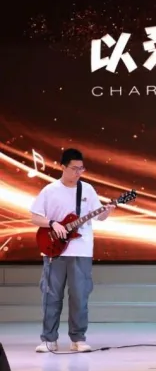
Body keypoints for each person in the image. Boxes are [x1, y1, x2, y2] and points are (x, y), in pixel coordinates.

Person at [30, 148, 115, 353]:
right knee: (51, 296)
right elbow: (35, 217)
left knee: (80, 296)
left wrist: (107, 211)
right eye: (74, 168)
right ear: (63, 167)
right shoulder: (50, 190)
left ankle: (78, 338)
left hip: (81, 250)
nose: (78, 172)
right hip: (54, 251)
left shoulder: (87, 190)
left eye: (81, 168)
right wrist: (52, 223)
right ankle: (49, 339)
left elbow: (99, 217)